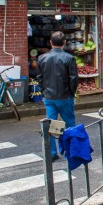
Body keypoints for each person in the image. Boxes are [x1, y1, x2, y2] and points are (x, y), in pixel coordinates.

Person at [38, 31, 79, 161]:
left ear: (51, 43)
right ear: (64, 43)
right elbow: (74, 79)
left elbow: (40, 78)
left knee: (50, 125)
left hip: (49, 97)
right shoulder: (69, 58)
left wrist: (44, 91)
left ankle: (51, 153)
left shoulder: (42, 58)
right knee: (69, 124)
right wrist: (72, 92)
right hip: (65, 96)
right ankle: (70, 151)